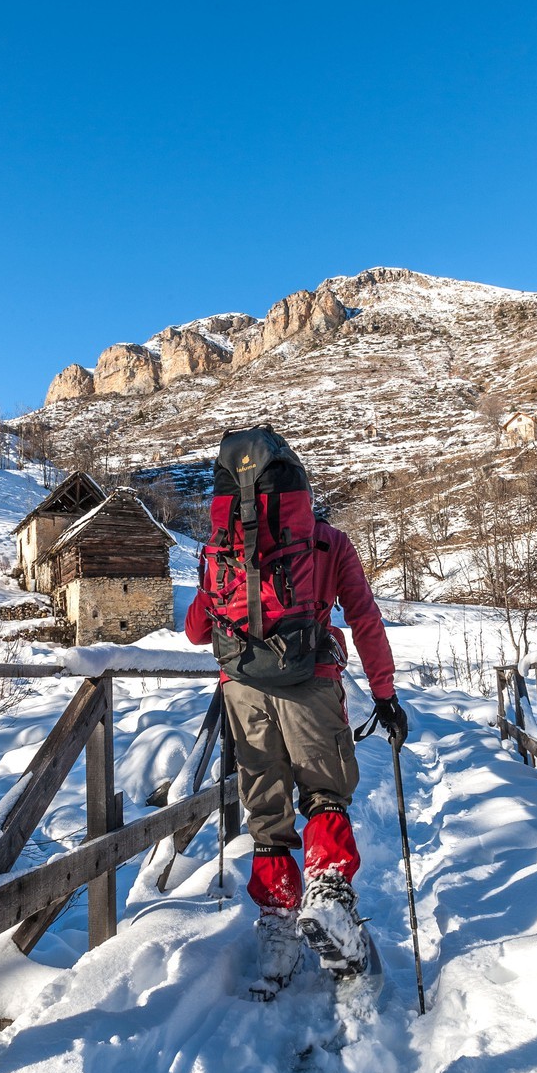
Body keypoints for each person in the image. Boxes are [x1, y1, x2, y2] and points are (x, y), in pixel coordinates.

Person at [185, 425, 408, 1000]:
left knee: (266, 812)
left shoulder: (220, 545)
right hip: (311, 684)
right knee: (324, 792)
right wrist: (384, 694)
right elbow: (364, 618)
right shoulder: (326, 541)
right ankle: (329, 895)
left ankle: (278, 929)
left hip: (241, 690)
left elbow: (194, 631)